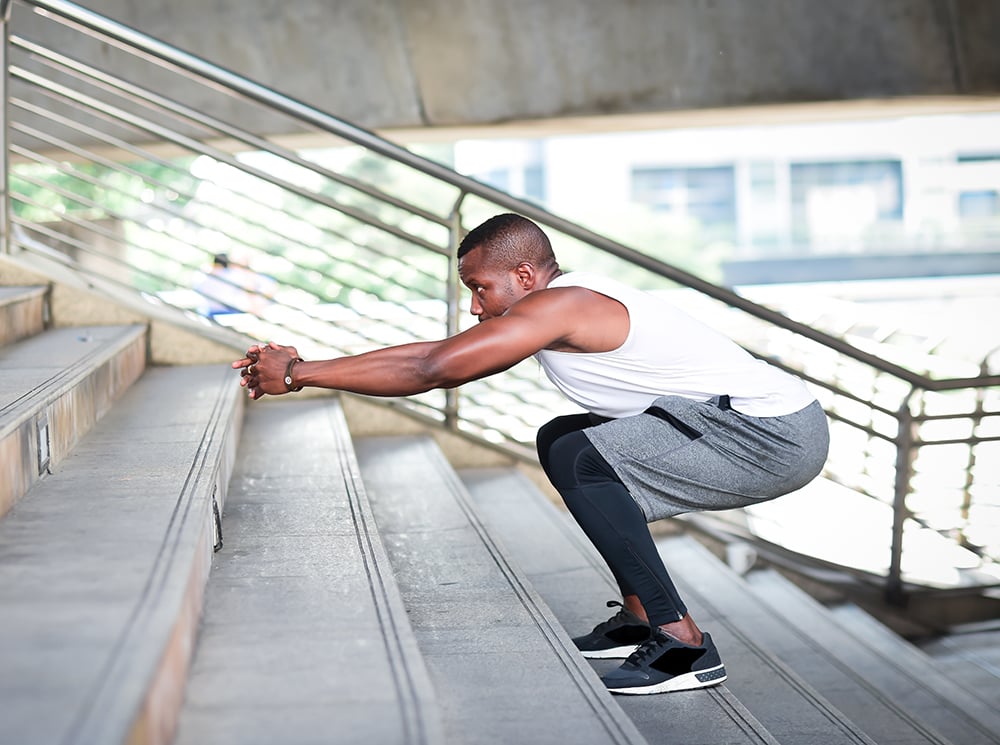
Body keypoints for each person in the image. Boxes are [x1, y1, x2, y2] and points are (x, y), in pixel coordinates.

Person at [232, 212, 830, 695]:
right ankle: (642, 614)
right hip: (739, 422)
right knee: (562, 439)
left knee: (584, 459)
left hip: (769, 435)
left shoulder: (559, 306)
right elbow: (440, 351)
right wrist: (305, 370)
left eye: (479, 289)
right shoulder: (553, 303)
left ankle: (684, 646)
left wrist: (302, 372)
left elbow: (434, 368)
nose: (475, 306)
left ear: (523, 274)